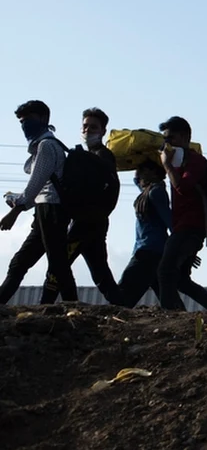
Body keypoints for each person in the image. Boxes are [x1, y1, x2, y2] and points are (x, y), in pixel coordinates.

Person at [115, 161, 207, 309]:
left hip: (149, 251)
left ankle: (114, 317)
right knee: (178, 286)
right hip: (153, 250)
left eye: (143, 170)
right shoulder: (146, 192)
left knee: (125, 291)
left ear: (154, 173)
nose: (139, 174)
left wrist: (182, 248)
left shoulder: (156, 192)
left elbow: (171, 223)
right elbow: (137, 181)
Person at [41, 107, 122, 304]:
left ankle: (45, 306)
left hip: (86, 223)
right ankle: (122, 307)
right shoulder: (88, 156)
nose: (87, 131)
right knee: (100, 272)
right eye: (85, 126)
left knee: (58, 266)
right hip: (95, 221)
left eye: (93, 127)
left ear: (103, 131)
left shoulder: (103, 156)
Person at [0, 101, 75, 304]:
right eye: (21, 122)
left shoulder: (47, 146)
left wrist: (15, 212)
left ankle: (73, 304)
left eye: (28, 120)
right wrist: (18, 200)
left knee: (58, 262)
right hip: (44, 210)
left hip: (52, 211)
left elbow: (35, 185)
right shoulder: (45, 147)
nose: (24, 125)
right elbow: (40, 190)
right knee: (20, 263)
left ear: (43, 119)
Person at [157, 116, 207, 311]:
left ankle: (170, 315)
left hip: (190, 227)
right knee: (181, 280)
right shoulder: (180, 162)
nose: (167, 144)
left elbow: (184, 187)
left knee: (165, 271)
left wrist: (167, 166)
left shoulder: (195, 161)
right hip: (183, 226)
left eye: (171, 139)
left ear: (185, 137)